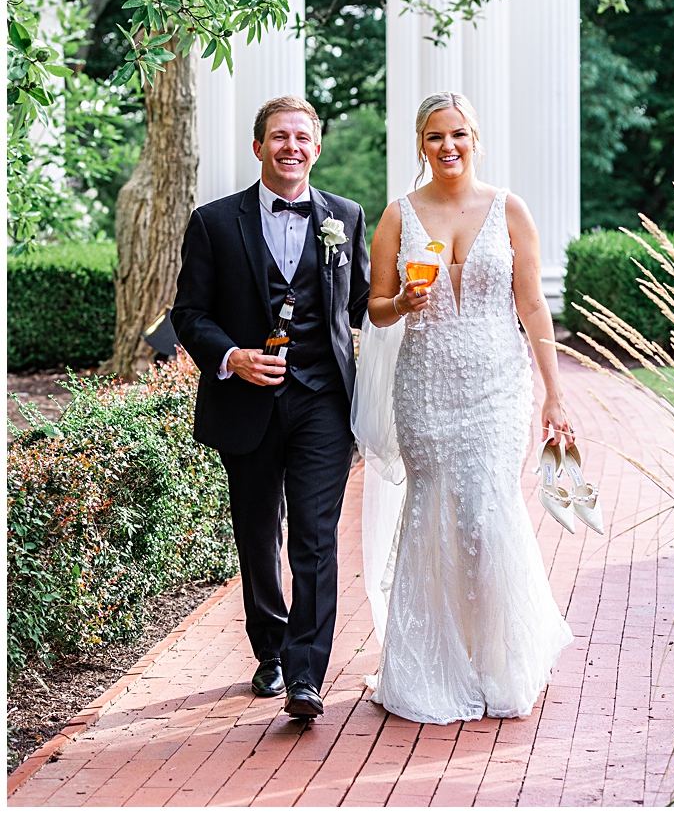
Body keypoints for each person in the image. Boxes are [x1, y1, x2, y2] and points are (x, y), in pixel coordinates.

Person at [352, 92, 576, 724]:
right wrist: (403, 305)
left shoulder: (510, 210)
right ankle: (434, 667)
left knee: (483, 517)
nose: (447, 147)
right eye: (433, 138)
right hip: (425, 385)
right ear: (420, 146)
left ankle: (500, 662)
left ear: (474, 138)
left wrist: (554, 392)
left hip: (498, 385)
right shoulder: (400, 216)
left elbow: (532, 306)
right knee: (434, 517)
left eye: (457, 135)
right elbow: (374, 307)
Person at [172, 96, 370, 719]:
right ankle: (271, 650)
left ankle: (307, 674)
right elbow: (189, 315)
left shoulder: (348, 217)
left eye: (302, 137)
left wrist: (422, 303)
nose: (291, 147)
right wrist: (233, 356)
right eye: (279, 136)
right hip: (246, 401)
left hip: (322, 401)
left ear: (317, 147)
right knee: (259, 533)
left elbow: (364, 303)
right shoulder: (213, 222)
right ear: (259, 147)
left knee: (315, 538)